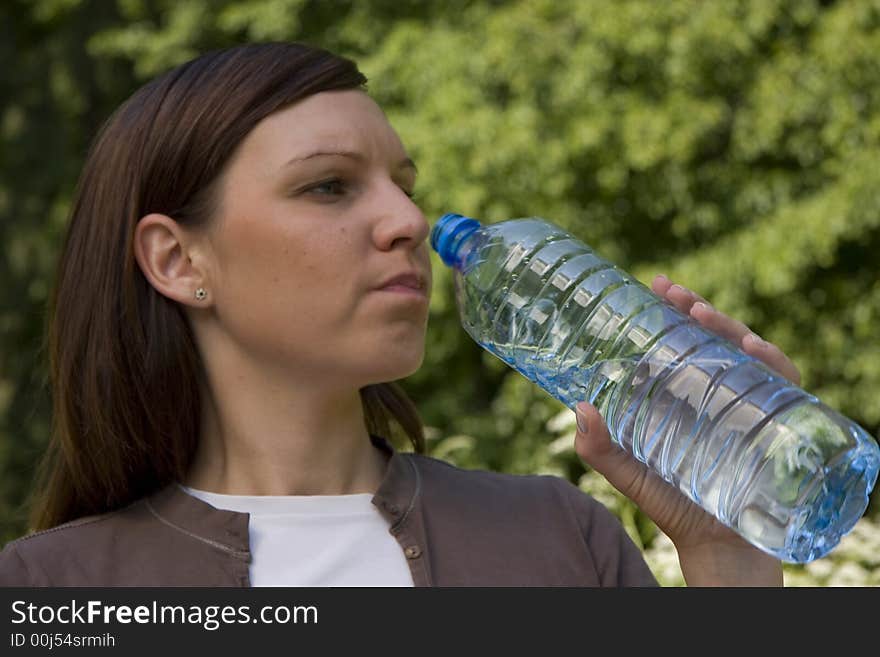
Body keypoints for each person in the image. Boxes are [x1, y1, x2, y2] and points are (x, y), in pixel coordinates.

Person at [0, 42, 797, 587]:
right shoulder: (54, 589)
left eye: (403, 184)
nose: (408, 221)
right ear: (179, 260)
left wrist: (732, 560)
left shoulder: (560, 541)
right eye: (329, 187)